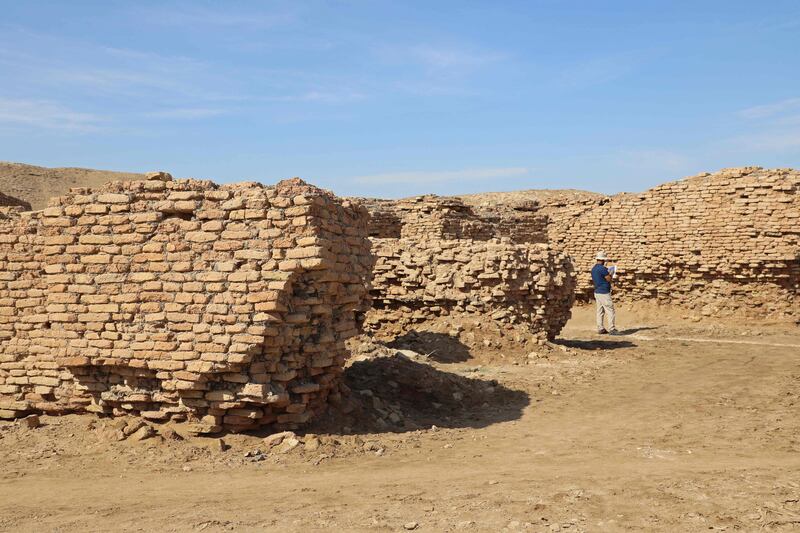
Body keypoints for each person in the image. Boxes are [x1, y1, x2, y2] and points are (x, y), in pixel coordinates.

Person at [591, 251, 619, 334]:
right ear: (603, 260)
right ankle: (612, 328)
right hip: (604, 292)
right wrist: (611, 274)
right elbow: (608, 279)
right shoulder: (602, 269)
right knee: (610, 310)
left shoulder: (594, 268)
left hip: (597, 291)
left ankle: (600, 328)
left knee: (600, 311)